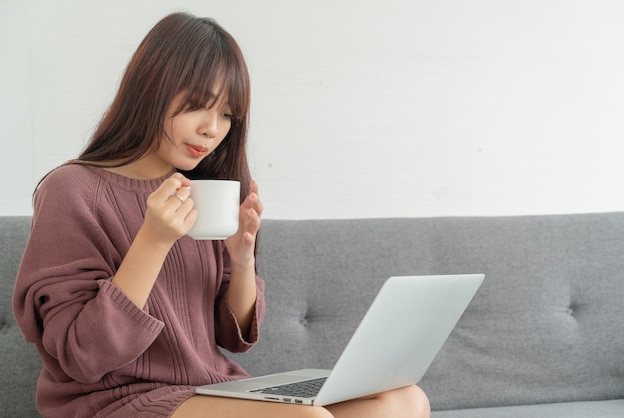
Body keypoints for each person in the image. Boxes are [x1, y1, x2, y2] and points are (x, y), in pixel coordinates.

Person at [12, 12, 430, 418]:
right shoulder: (72, 189)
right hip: (117, 400)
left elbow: (232, 339)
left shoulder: (207, 192)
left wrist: (241, 259)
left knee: (405, 400)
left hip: (211, 388)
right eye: (197, 105)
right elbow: (83, 356)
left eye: (227, 113)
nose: (213, 128)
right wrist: (154, 240)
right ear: (149, 90)